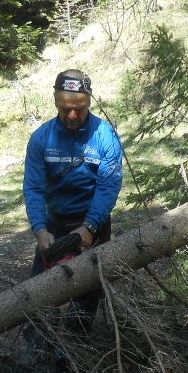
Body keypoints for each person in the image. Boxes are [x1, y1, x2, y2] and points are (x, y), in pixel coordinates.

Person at [22, 69, 123, 357]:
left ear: (89, 101)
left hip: (94, 223)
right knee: (39, 290)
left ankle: (74, 353)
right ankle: (37, 351)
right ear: (55, 100)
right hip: (54, 224)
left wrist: (90, 226)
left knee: (87, 291)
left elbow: (108, 185)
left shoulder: (105, 136)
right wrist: (40, 229)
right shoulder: (41, 139)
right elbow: (33, 188)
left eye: (80, 108)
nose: (72, 115)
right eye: (65, 108)